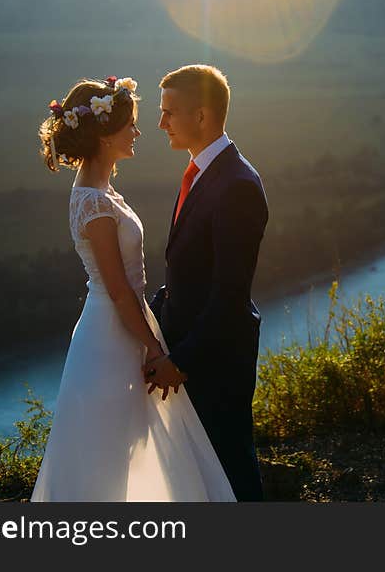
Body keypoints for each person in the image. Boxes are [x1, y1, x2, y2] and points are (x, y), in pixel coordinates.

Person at [30, 75, 235, 501]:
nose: (139, 132)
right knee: (109, 453)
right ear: (105, 135)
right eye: (130, 125)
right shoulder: (93, 202)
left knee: (140, 445)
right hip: (110, 336)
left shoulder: (103, 191)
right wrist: (157, 350)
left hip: (127, 326)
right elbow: (120, 290)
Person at [145, 65, 269, 501]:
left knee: (231, 475)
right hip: (191, 352)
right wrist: (146, 323)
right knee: (199, 480)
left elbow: (229, 298)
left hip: (217, 364)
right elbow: (186, 276)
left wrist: (180, 360)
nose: (160, 124)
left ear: (201, 116)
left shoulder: (237, 186)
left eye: (168, 113)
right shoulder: (201, 174)